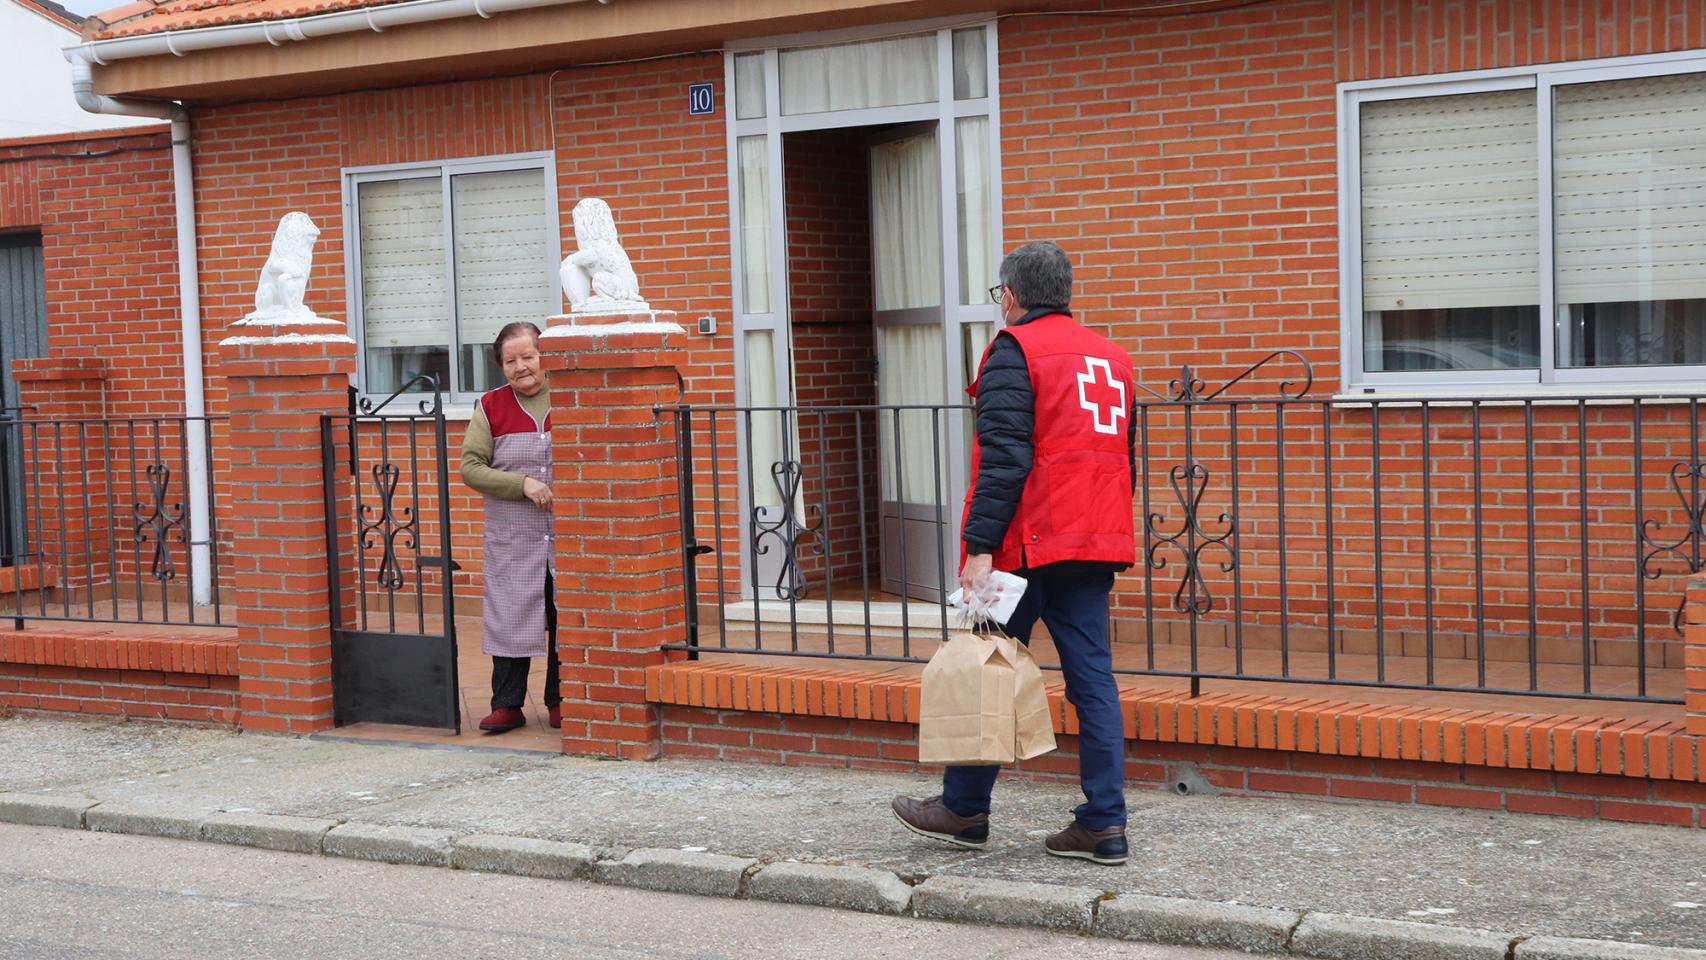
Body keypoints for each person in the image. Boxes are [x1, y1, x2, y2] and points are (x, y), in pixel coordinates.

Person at [892, 241, 1137, 866]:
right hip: (1094, 539)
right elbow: (1119, 457)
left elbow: (1004, 458)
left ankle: (964, 808)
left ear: (1009, 294)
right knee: (1094, 682)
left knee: (985, 670)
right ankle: (1104, 824)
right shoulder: (1113, 357)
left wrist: (979, 548)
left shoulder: (1014, 349)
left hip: (1028, 543)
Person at [460, 321, 560, 733]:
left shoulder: (570, 396)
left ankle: (562, 699)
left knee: (565, 613)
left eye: (528, 356)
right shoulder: (490, 406)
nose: (521, 367)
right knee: (511, 614)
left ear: (544, 357)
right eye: (510, 360)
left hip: (566, 535)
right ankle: (507, 704)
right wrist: (522, 484)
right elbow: (470, 467)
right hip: (513, 536)